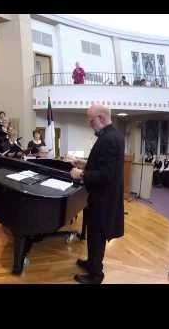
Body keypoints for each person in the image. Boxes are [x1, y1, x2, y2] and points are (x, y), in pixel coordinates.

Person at [69, 104, 124, 284]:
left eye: (91, 120)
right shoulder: (110, 135)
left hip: (103, 199)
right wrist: (85, 163)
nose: (89, 124)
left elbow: (106, 175)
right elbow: (102, 165)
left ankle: (96, 276)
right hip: (101, 197)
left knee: (97, 237)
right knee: (93, 235)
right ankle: (92, 264)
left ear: (101, 118)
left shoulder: (109, 139)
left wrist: (81, 174)